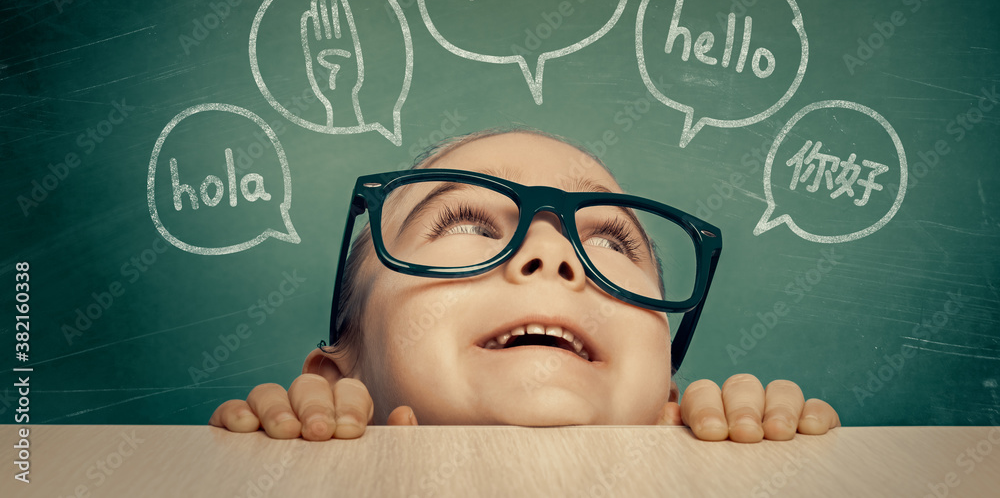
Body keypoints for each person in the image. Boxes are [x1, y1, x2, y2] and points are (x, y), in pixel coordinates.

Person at [211, 127, 840, 442]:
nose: (550, 254)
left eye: (608, 241)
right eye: (467, 223)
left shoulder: (702, 443)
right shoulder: (303, 448)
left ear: (666, 406)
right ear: (336, 381)